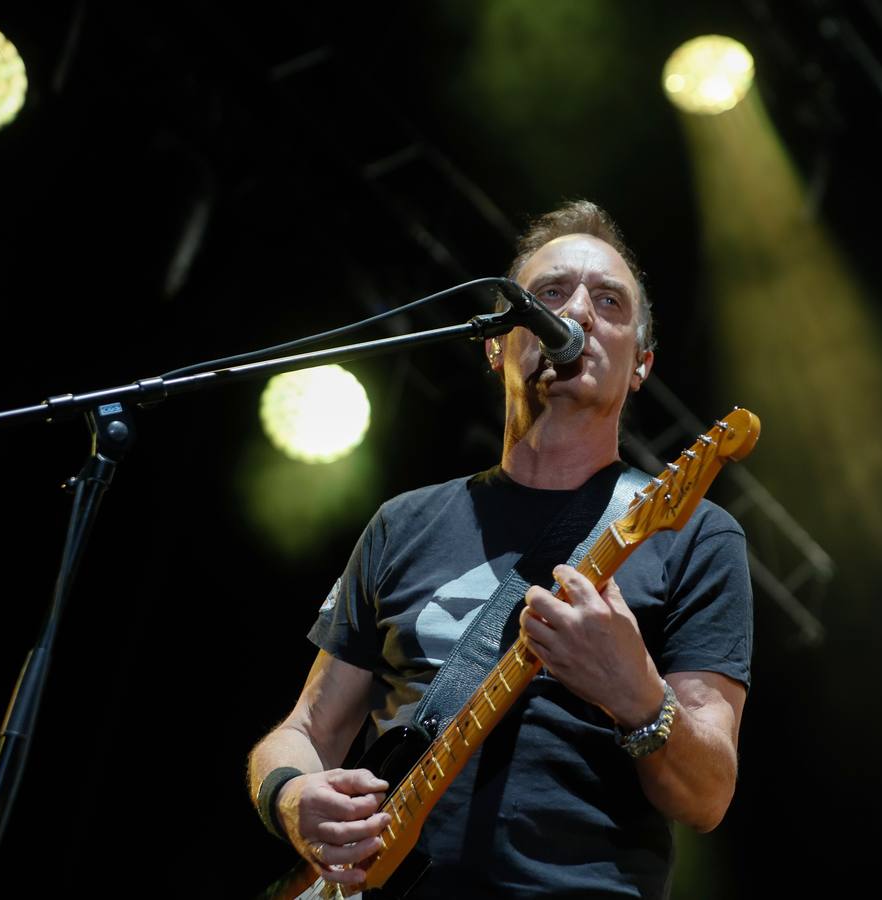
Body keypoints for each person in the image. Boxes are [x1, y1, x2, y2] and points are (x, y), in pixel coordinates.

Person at [247, 200, 752, 899]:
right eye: (548, 295)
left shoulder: (692, 533)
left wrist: (635, 693)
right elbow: (305, 728)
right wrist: (293, 798)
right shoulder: (404, 522)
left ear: (641, 365)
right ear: (495, 345)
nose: (575, 315)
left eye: (609, 302)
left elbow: (709, 794)